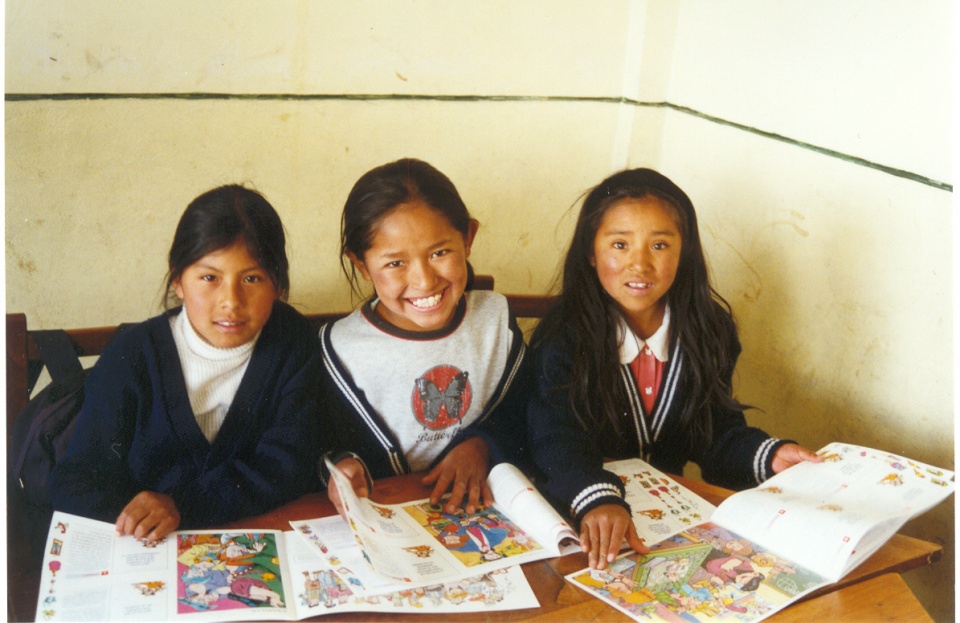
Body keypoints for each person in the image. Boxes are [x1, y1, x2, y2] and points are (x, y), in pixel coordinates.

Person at [526, 168, 821, 569]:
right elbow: (553, 440)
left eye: (660, 245)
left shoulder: (708, 330)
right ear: (591, 254)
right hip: (583, 517)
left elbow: (713, 432)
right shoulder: (564, 335)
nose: (640, 264)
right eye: (619, 244)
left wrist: (768, 455)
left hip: (667, 522)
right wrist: (597, 499)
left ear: (685, 253)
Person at [49, 185, 323, 540]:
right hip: (145, 547)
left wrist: (184, 504)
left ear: (278, 285)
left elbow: (288, 463)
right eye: (209, 278)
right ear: (178, 279)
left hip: (251, 540)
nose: (231, 302)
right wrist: (134, 522)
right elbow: (79, 476)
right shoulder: (133, 354)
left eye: (252, 278)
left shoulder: (292, 342)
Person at [319, 158, 529, 517]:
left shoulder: (495, 322)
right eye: (395, 263)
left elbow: (529, 417)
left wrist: (482, 445)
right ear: (361, 264)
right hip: (390, 523)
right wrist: (342, 465)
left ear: (468, 238)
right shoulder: (341, 349)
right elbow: (323, 444)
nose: (424, 280)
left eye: (439, 252)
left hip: (486, 513)